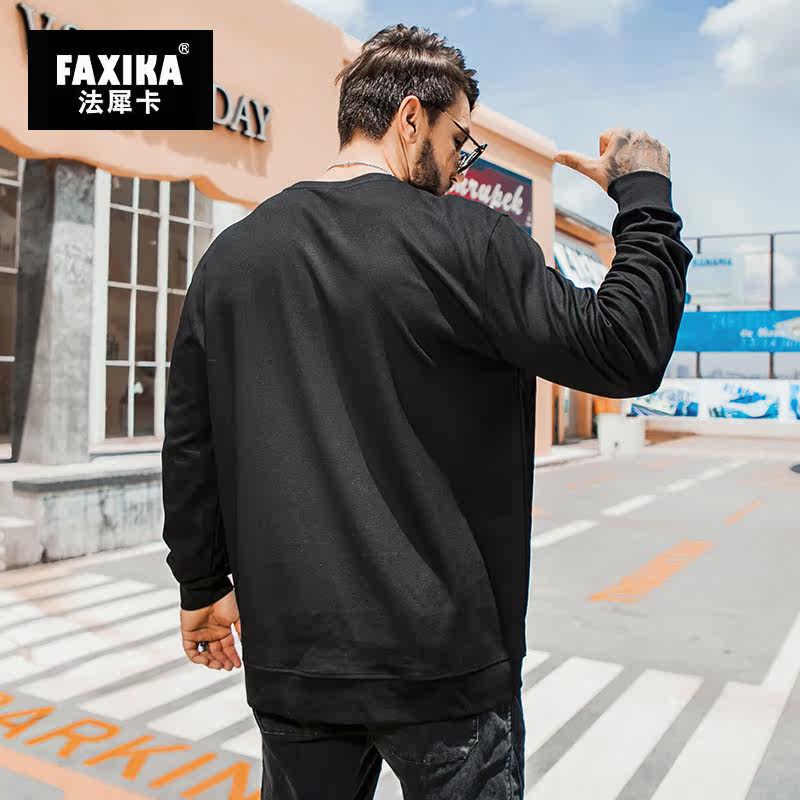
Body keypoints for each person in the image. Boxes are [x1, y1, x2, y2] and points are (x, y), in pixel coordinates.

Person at [161, 22, 693, 800]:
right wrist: (644, 193)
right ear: (411, 117)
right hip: (446, 666)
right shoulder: (472, 245)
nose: (460, 166)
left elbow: (191, 441)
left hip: (297, 661)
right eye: (460, 141)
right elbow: (624, 347)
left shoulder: (233, 258)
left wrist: (201, 584)